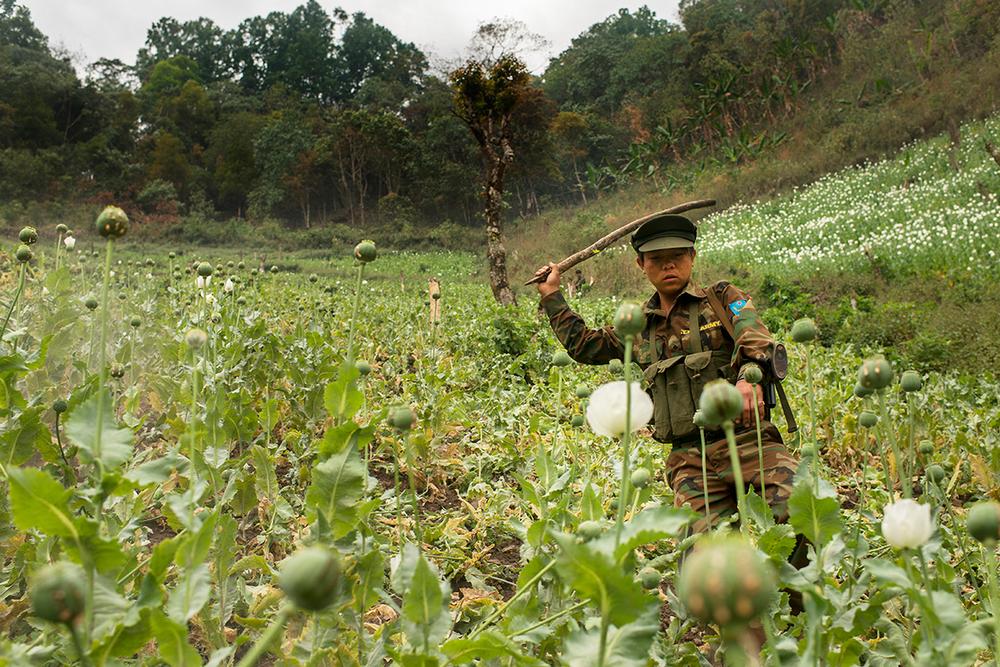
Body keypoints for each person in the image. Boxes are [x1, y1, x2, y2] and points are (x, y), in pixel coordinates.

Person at [536, 213, 798, 532]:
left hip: (749, 441)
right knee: (701, 550)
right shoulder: (638, 325)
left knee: (797, 507)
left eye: (677, 256)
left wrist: (749, 376)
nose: (668, 265)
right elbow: (584, 346)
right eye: (657, 259)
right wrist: (551, 295)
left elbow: (754, 337)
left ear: (692, 256)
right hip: (689, 460)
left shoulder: (721, 298)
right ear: (641, 264)